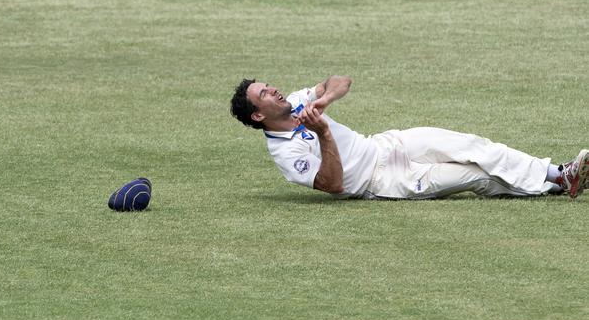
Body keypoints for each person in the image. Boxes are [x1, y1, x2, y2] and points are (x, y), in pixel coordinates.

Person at [230, 75, 589, 200]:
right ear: (258, 115)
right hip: (383, 180)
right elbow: (334, 185)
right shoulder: (285, 156)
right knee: (474, 177)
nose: (274, 89)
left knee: (470, 145)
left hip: (387, 143)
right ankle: (558, 186)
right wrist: (324, 133)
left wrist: (324, 99)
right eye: (264, 93)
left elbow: (341, 80)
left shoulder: (297, 101)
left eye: (269, 85)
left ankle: (560, 173)